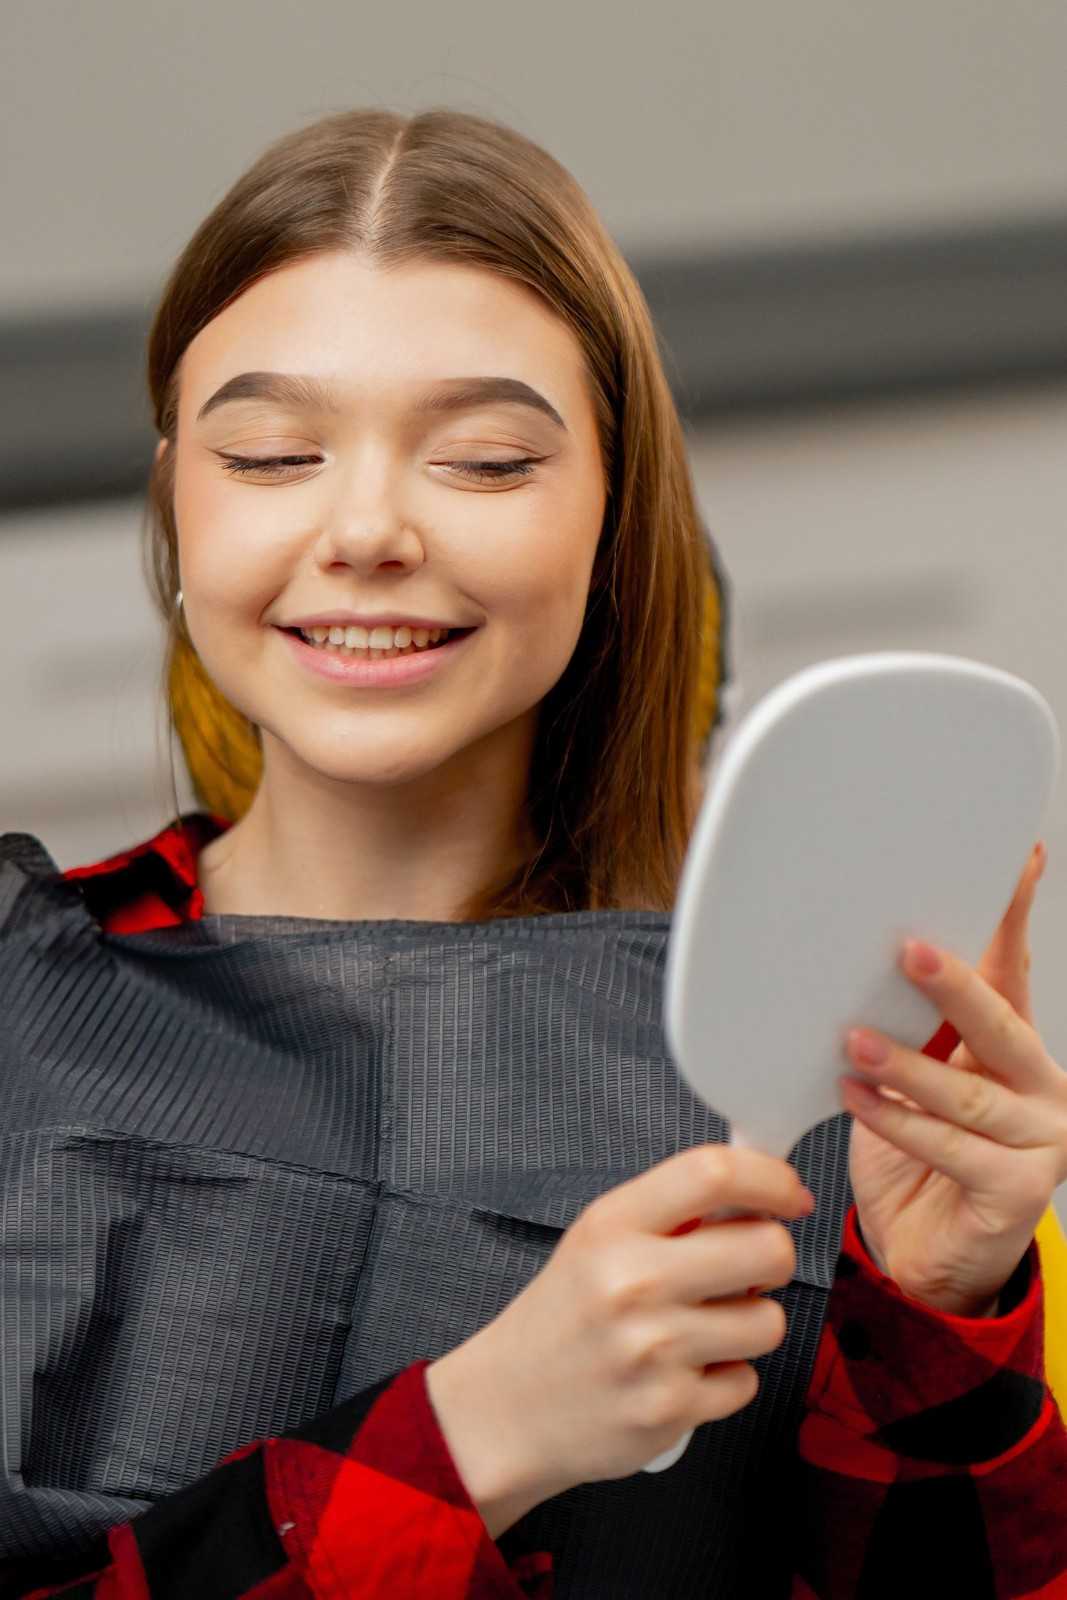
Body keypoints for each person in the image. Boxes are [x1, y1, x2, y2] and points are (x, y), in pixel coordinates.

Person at [1, 107, 1066, 1600]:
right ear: (180, 493)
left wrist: (939, 1318)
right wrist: (478, 1433)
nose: (365, 528)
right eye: (274, 451)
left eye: (488, 461)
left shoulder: (824, 1098)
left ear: (612, 510)